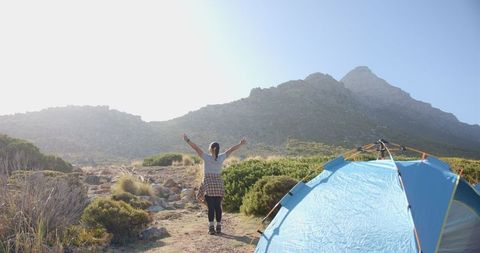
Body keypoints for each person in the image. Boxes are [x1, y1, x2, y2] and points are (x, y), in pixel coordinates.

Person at [183, 133, 247, 235]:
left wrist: (187, 140)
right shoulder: (221, 157)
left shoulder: (206, 157)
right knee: (218, 207)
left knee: (210, 207)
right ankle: (219, 227)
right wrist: (240, 143)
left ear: (210, 149)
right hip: (218, 184)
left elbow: (196, 148)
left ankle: (211, 228)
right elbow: (231, 149)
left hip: (209, 184)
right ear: (217, 149)